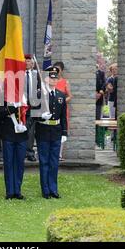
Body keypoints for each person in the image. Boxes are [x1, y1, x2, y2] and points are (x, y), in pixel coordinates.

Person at [35, 66, 68, 199]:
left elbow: (63, 116)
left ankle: (53, 189)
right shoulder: (40, 94)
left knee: (54, 162)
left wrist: (64, 132)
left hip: (56, 131)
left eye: (56, 78)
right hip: (43, 130)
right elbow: (33, 115)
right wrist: (42, 116)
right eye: (51, 78)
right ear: (46, 79)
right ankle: (46, 190)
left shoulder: (60, 95)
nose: (54, 80)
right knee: (44, 161)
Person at [0, 98, 29, 200]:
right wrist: (13, 107)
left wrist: (26, 126)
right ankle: (10, 191)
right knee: (9, 163)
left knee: (20, 163)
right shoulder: (3, 97)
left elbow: (30, 114)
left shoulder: (24, 96)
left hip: (22, 134)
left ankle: (18, 190)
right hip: (8, 133)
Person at [53, 61, 72, 161]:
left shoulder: (65, 82)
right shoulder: (50, 81)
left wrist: (62, 101)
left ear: (61, 71)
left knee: (61, 128)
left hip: (62, 109)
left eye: (58, 70)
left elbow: (70, 96)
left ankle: (59, 154)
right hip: (51, 109)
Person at [24, 54, 39, 162]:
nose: (27, 63)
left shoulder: (36, 74)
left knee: (31, 130)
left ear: (32, 63)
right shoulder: (19, 74)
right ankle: (21, 151)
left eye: (29, 61)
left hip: (33, 105)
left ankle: (29, 152)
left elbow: (40, 88)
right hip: (22, 105)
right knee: (21, 128)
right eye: (25, 61)